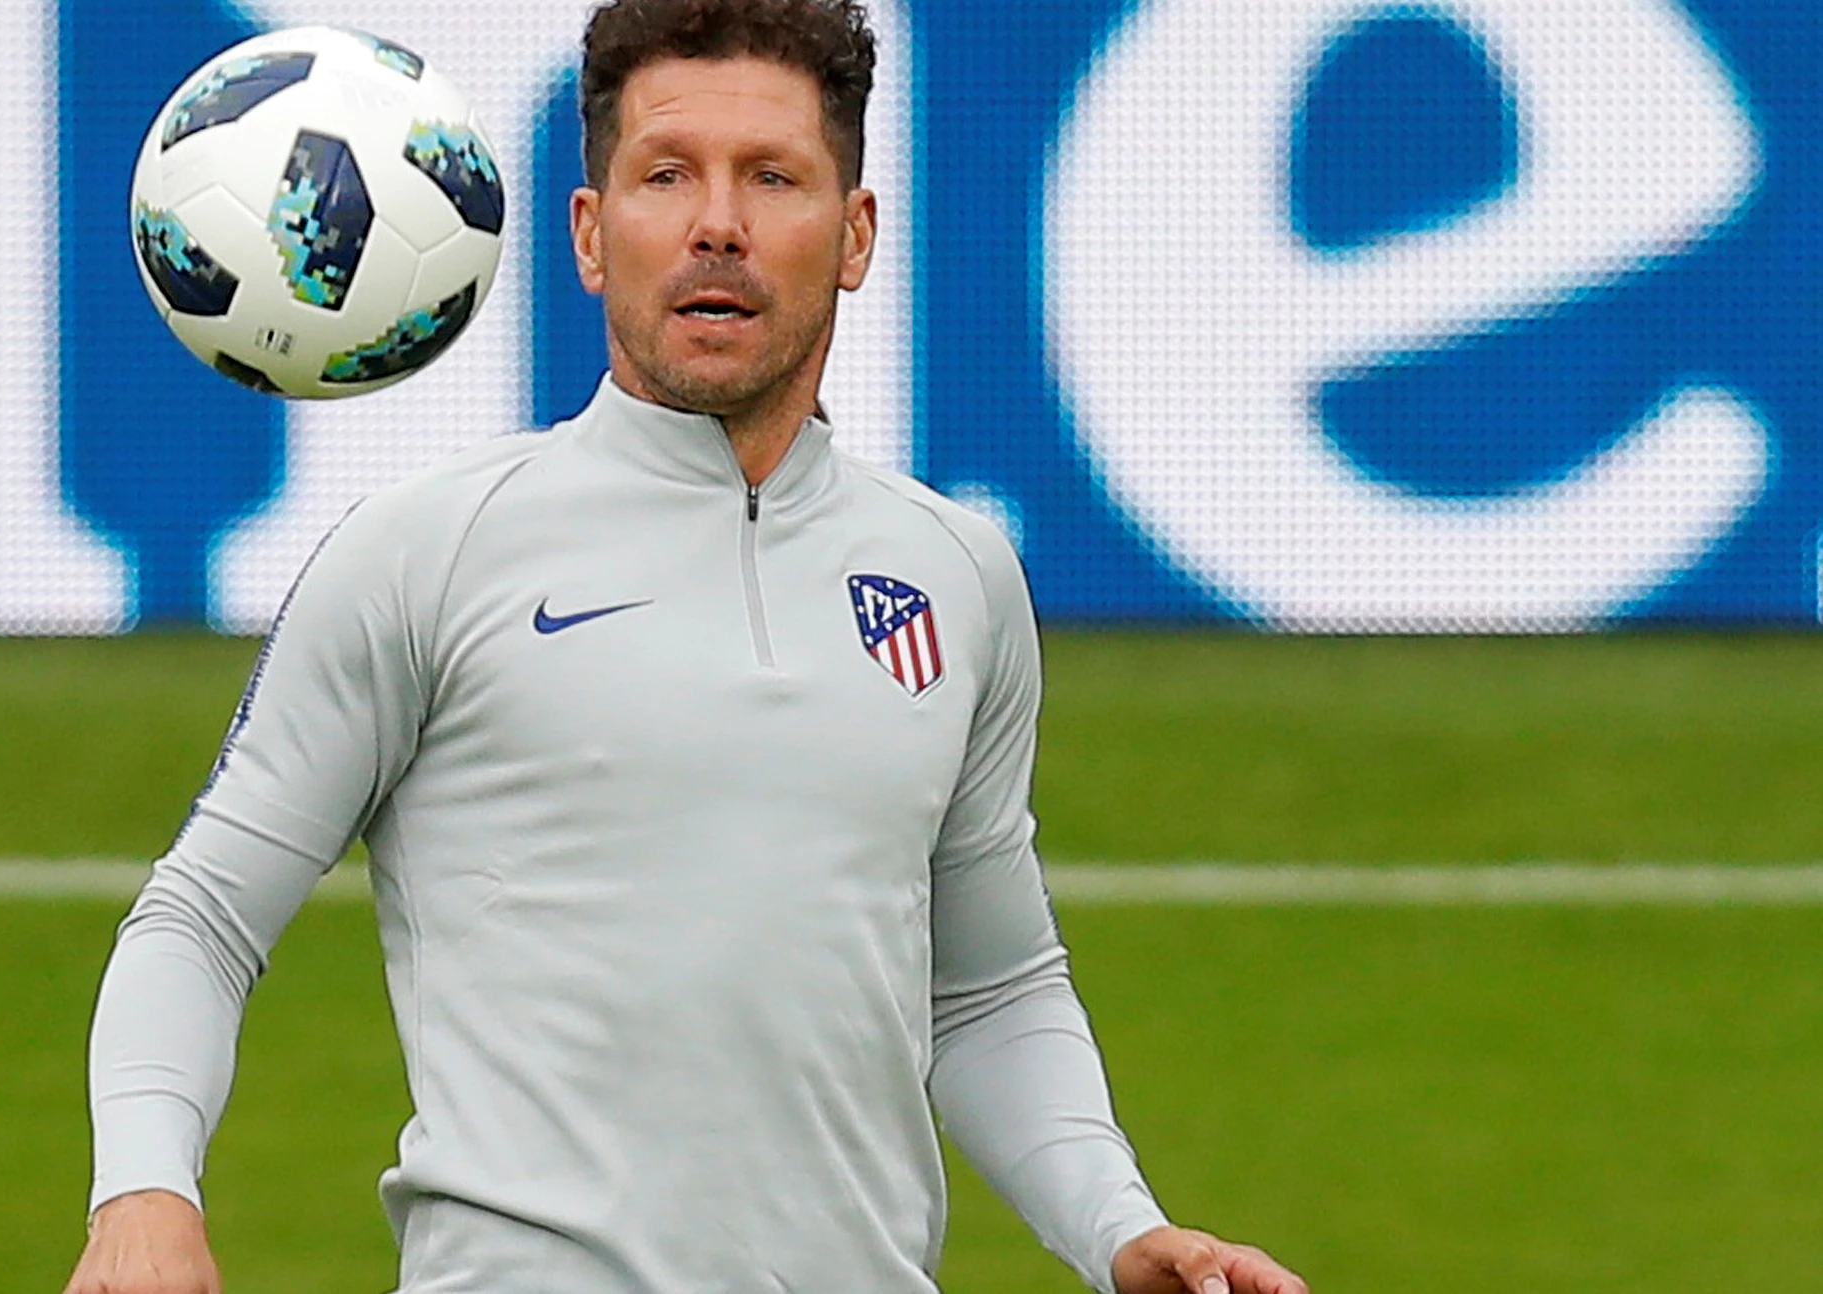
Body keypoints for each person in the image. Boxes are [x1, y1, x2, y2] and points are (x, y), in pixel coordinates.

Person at [64, 1, 1311, 1291]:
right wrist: (144, 1192)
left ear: (857, 235)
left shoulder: (958, 576)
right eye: (668, 176)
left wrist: (1120, 1224)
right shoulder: (423, 553)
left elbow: (988, 989)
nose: (719, 222)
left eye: (773, 178)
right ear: (594, 238)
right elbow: (201, 917)